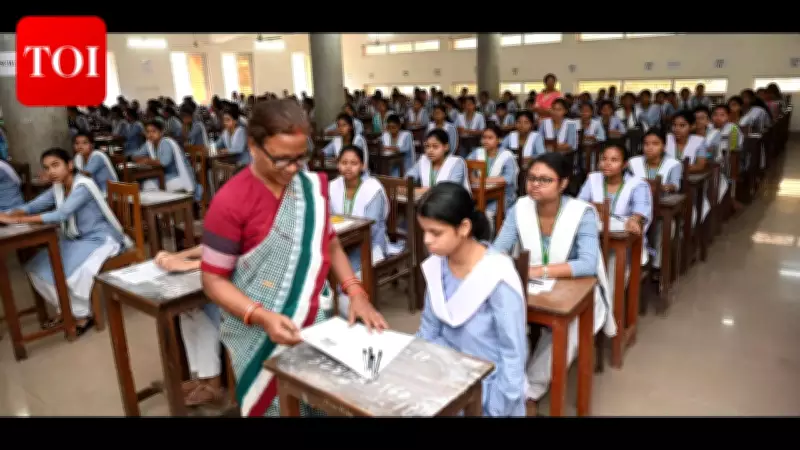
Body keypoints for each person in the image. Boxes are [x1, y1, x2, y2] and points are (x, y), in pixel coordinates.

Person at [199, 99, 387, 417]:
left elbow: (330, 243)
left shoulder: (309, 190)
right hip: (257, 329)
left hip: (314, 322)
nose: (292, 169)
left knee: (323, 402)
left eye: (300, 158)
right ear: (254, 147)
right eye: (281, 159)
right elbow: (213, 280)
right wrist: (261, 316)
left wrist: (356, 292)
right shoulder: (230, 201)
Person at [492, 152, 614, 414]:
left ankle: (530, 390)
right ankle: (504, 381)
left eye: (545, 180)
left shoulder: (582, 213)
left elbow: (587, 264)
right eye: (531, 178)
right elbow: (498, 249)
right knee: (494, 310)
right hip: (532, 285)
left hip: (576, 288)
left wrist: (539, 271)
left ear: (563, 183)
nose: (535, 184)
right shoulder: (520, 208)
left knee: (570, 325)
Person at [415, 182, 526, 417]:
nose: (426, 240)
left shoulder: (496, 274)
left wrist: (494, 408)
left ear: (464, 227)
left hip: (490, 390)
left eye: (436, 232)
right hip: (446, 381)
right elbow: (428, 333)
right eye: (424, 230)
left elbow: (512, 356)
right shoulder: (437, 267)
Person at [0, 148, 132, 335]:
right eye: (47, 168)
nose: (51, 172)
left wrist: (18, 220)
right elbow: (34, 205)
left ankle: (82, 316)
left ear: (69, 165)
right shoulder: (59, 187)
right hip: (76, 239)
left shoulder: (83, 186)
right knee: (35, 268)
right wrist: (12, 214)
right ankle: (68, 310)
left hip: (100, 239)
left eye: (55, 165)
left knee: (69, 273)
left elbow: (61, 214)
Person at [328, 145, 402, 317]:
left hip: (369, 244)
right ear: (338, 164)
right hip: (341, 243)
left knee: (345, 279)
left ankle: (352, 310)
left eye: (354, 163)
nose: (348, 167)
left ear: (363, 166)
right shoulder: (332, 186)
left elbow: (373, 227)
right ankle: (339, 306)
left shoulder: (372, 189)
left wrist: (346, 237)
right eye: (344, 162)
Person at [578, 144, 652, 299]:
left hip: (621, 242)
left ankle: (609, 304)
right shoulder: (593, 179)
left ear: (624, 164)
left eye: (614, 160)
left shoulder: (637, 184)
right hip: (595, 235)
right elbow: (580, 203)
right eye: (604, 159)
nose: (607, 163)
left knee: (612, 262)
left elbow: (640, 210)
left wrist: (634, 219)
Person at [154, 246, 223, 406]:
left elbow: (236, 259)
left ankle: (212, 382)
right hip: (214, 275)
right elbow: (211, 245)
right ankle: (199, 378)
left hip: (242, 285)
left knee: (203, 314)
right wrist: (178, 256)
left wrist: (189, 265)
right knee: (187, 311)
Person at [626, 130, 682, 277]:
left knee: (666, 226)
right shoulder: (633, 163)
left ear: (664, 146)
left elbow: (674, 185)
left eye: (655, 144)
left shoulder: (673, 164)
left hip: (661, 206)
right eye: (646, 144)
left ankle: (657, 266)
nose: (650, 148)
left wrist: (661, 186)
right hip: (635, 208)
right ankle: (634, 265)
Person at [666, 110, 710, 225]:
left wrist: (676, 169)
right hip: (667, 181)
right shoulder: (667, 139)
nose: (677, 129)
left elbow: (700, 165)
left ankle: (687, 226)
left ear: (692, 126)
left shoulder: (699, 141)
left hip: (688, 183)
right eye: (674, 125)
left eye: (682, 125)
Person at [467, 125, 518, 221]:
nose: (486, 141)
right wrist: (472, 176)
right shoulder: (478, 152)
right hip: (482, 193)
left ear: (499, 140)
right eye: (484, 137)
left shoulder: (506, 155)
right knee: (467, 210)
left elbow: (508, 178)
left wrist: (480, 180)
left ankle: (489, 232)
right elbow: (466, 165)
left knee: (487, 213)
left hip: (504, 196)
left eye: (490, 138)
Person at [136, 120, 198, 197]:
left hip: (179, 177)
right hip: (164, 176)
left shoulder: (166, 142)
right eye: (148, 132)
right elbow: (135, 156)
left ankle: (164, 204)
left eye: (154, 131)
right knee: (145, 184)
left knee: (148, 185)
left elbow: (164, 162)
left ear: (161, 132)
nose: (150, 134)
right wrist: (144, 160)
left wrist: (147, 161)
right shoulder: (149, 144)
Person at [407, 129, 470, 193]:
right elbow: (408, 178)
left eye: (435, 146)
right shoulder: (423, 160)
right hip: (428, 198)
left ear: (446, 147)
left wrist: (420, 191)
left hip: (453, 199)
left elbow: (451, 190)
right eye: (427, 146)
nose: (430, 150)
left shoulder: (457, 163)